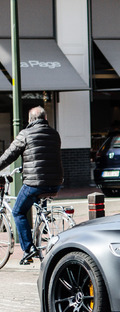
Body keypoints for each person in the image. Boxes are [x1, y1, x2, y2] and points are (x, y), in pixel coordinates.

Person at [0, 106, 63, 264]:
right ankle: (41, 230)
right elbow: (45, 155)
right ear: (45, 119)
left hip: (35, 183)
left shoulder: (26, 134)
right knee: (37, 203)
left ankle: (28, 249)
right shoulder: (54, 134)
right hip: (55, 182)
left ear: (30, 120)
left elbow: (10, 155)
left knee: (18, 212)